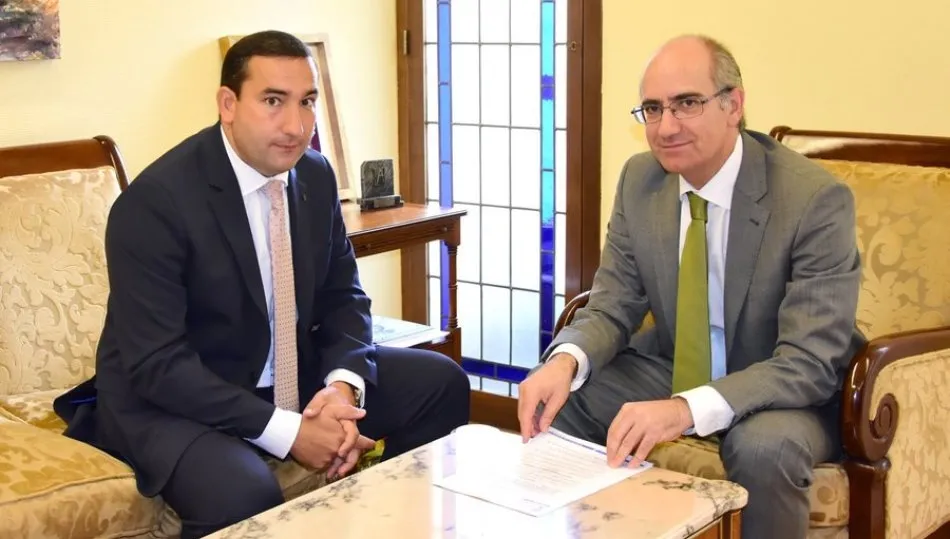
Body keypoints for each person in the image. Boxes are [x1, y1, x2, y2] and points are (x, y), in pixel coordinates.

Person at [53, 30, 470, 539]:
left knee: (440, 383)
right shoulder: (156, 204)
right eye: (273, 101)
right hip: (174, 398)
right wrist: (290, 432)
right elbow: (157, 364)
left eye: (307, 102)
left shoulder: (314, 177)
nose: (296, 126)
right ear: (228, 104)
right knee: (243, 492)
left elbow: (345, 297)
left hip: (290, 376)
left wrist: (341, 388)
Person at [517, 34, 864, 539]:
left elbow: (809, 362)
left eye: (687, 103)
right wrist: (563, 362)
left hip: (788, 392)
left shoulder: (814, 199)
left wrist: (684, 409)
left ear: (734, 105)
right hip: (677, 364)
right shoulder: (641, 180)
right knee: (563, 397)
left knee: (764, 448)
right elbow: (613, 304)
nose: (666, 126)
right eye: (652, 109)